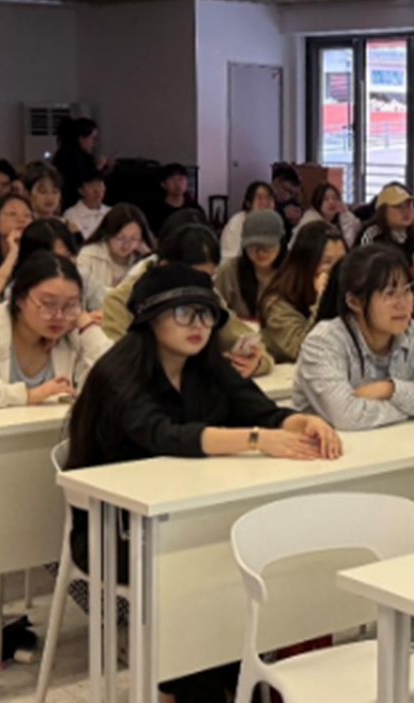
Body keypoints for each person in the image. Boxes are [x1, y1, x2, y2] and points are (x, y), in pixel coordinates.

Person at [65, 264, 340, 703]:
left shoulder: (207, 367)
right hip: (113, 530)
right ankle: (200, 686)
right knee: (203, 569)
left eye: (207, 314)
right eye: (184, 313)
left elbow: (262, 410)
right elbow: (164, 435)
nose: (199, 325)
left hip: (189, 520)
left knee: (245, 557)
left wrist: (303, 422)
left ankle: (233, 678)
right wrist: (256, 440)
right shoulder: (118, 373)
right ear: (149, 318)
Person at [293, 244, 414, 430]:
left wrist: (389, 389)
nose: (402, 304)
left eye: (407, 290)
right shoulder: (323, 342)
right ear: (354, 302)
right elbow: (348, 415)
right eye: (389, 294)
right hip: (332, 447)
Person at [103, 222, 274, 379]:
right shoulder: (119, 302)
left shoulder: (208, 295)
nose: (199, 288)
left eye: (207, 279)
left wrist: (254, 362)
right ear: (164, 266)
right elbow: (116, 369)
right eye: (191, 277)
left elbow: (251, 344)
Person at [0, 252, 111, 408]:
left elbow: (115, 382)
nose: (59, 316)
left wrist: (86, 324)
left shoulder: (72, 336)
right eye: (48, 303)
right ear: (20, 298)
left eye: (70, 304)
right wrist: (29, 395)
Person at [259, 221, 347, 362]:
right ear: (306, 263)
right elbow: (304, 350)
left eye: (342, 261)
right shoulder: (276, 302)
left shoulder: (348, 294)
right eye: (327, 262)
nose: (336, 270)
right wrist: (322, 300)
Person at [15, 219, 107, 312]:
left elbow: (106, 307)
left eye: (71, 255)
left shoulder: (83, 276)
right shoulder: (19, 290)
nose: (71, 262)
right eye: (63, 258)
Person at [214, 209, 286, 320]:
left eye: (267, 246)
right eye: (253, 246)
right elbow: (215, 311)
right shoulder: (230, 271)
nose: (260, 253)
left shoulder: (294, 271)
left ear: (281, 243)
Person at [75, 204, 153, 290]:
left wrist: (149, 257)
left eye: (133, 239)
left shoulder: (143, 261)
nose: (126, 245)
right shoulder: (89, 256)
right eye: (120, 238)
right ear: (108, 234)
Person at [359, 182, 414, 260]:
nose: (405, 211)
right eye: (398, 206)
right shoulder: (372, 235)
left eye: (409, 205)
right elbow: (362, 263)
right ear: (383, 211)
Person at [0, 194, 34, 305]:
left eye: (27, 215)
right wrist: (12, 255)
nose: (22, 220)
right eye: (13, 213)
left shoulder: (39, 260)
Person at [52, 117, 109, 209]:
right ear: (81, 138)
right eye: (93, 138)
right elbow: (83, 180)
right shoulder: (78, 158)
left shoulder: (62, 154)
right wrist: (98, 167)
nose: (94, 143)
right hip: (74, 201)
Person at [23, 162, 81, 243]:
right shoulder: (23, 225)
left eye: (55, 192)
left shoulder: (68, 227)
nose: (50, 198)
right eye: (43, 192)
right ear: (28, 194)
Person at [220, 181, 277, 261]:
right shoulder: (238, 222)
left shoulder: (274, 224)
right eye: (260, 198)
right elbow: (231, 258)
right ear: (248, 203)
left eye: (269, 199)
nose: (265, 203)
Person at [145, 164, 204, 238]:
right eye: (172, 179)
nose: (177, 183)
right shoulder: (154, 211)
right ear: (163, 184)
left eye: (181, 179)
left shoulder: (195, 209)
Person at [297, 182, 361, 249]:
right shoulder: (310, 221)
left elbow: (348, 244)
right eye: (326, 199)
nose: (331, 202)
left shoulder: (340, 220)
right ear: (318, 202)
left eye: (335, 198)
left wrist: (345, 214)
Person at [62, 168, 111, 241]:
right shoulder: (71, 215)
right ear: (81, 191)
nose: (97, 190)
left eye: (100, 185)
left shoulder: (111, 212)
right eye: (92, 186)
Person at [271, 162, 305, 232]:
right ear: (276, 183)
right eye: (287, 191)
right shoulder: (265, 201)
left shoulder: (292, 203)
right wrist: (282, 214)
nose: (289, 197)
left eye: (293, 194)